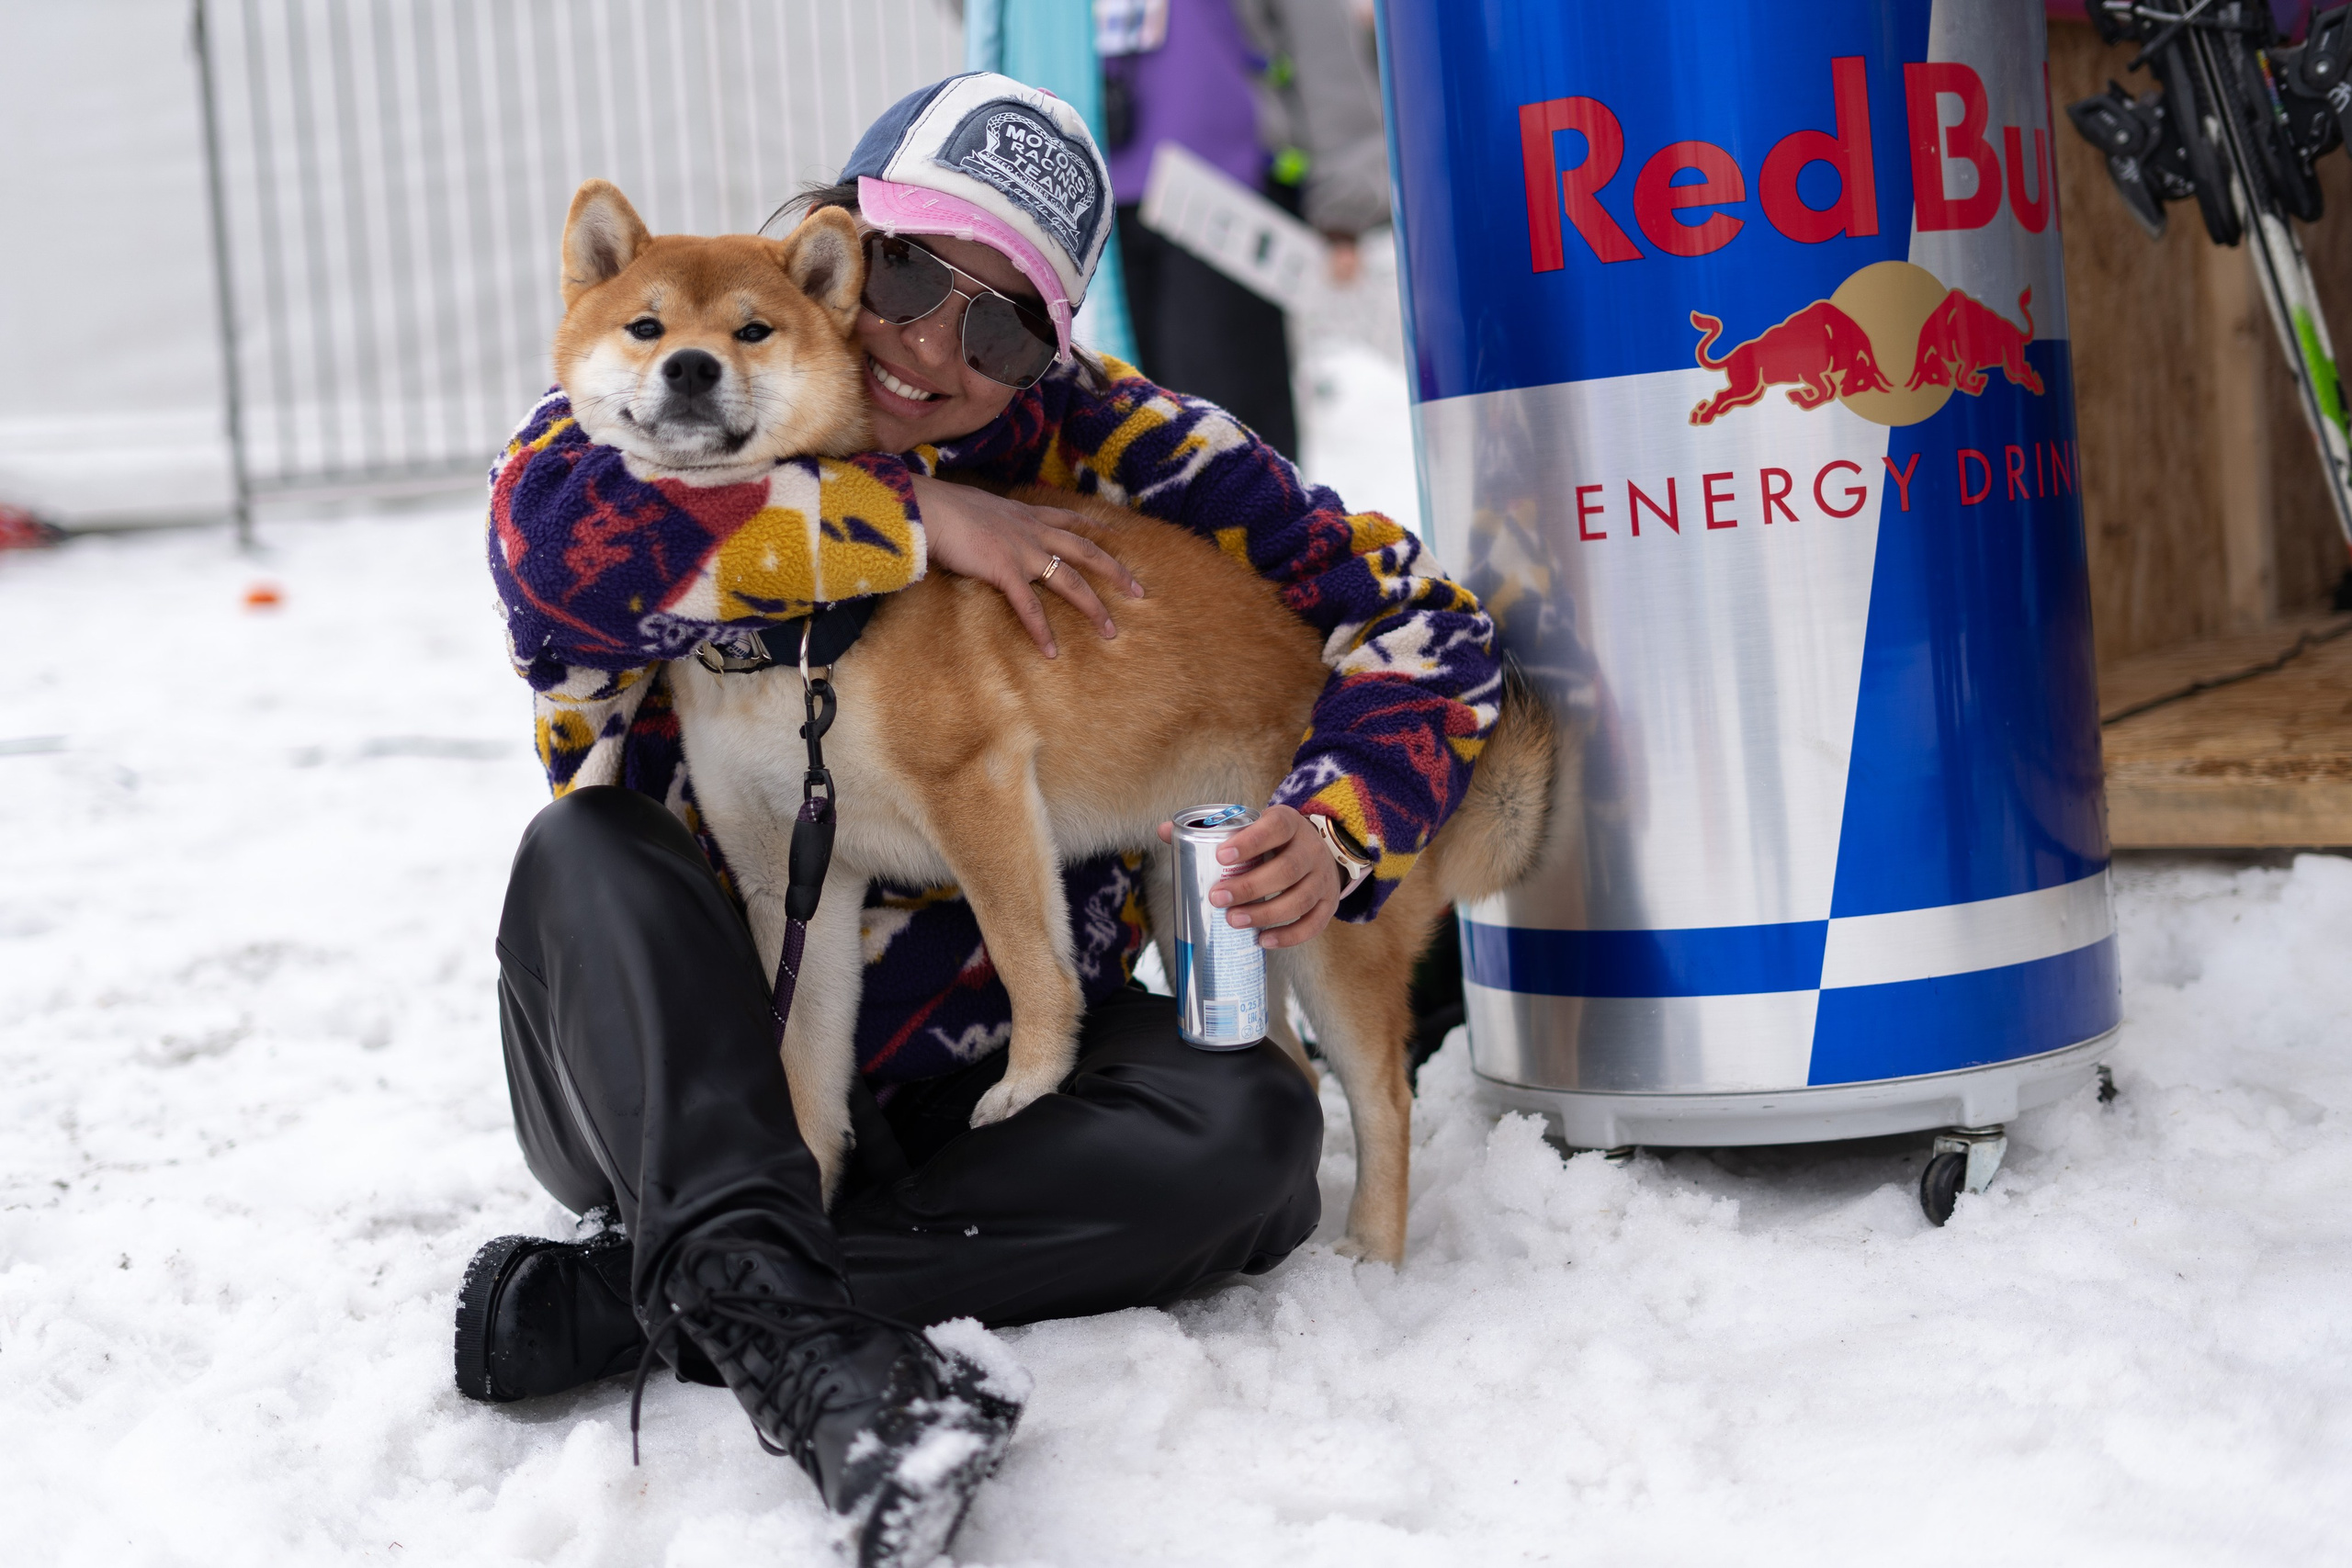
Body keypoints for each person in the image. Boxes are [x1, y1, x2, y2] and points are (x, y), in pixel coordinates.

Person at [458, 71, 1499, 1568]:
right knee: (590, 850)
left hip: (968, 1104)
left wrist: (1339, 819)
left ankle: (682, 1296)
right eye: (903, 275)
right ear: (840, 239)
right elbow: (559, 554)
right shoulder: (670, 364)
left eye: (1002, 324)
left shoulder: (1118, 445)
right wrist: (916, 518)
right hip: (664, 1066)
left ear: (1050, 355)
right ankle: (758, 1296)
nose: (933, 349)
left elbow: (1423, 622)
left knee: (1253, 1132)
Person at [1102, 0, 1392, 457]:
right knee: (1120, 443)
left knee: (1227, 440)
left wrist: (1345, 198)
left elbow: (1321, 39)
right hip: (1084, 195)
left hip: (1221, 198)